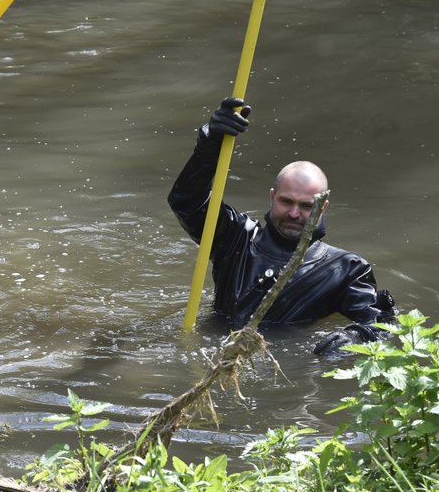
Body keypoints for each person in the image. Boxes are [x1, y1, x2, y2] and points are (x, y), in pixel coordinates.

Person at [167, 97, 396, 355]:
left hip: (280, 364)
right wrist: (209, 146)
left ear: (323, 207)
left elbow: (382, 326)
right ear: (272, 196)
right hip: (212, 351)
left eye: (307, 206)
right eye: (286, 202)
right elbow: (186, 201)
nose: (295, 213)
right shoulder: (235, 237)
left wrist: (356, 336)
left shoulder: (344, 270)